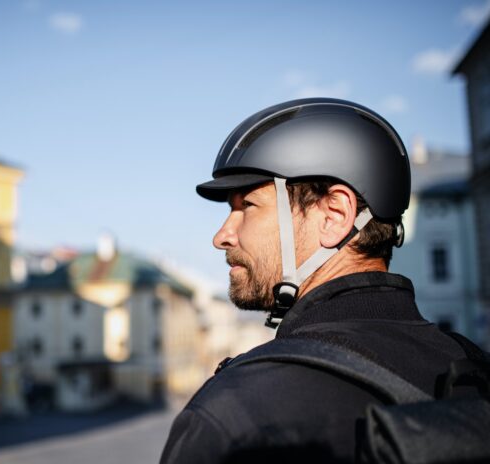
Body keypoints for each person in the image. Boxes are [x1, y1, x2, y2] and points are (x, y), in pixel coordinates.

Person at [160, 98, 471, 463]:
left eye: (247, 206)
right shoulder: (471, 366)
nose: (222, 235)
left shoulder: (235, 414)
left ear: (334, 216)